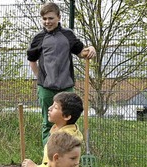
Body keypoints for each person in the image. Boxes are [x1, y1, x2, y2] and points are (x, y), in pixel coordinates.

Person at [26, 2, 96, 145]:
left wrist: (91, 48)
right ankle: (48, 159)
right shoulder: (38, 38)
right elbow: (32, 61)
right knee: (48, 123)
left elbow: (82, 52)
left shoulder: (68, 35)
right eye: (44, 19)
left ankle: (64, 159)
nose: (47, 22)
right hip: (46, 88)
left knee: (67, 122)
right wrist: (41, 78)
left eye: (50, 18)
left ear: (58, 17)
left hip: (66, 88)